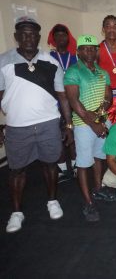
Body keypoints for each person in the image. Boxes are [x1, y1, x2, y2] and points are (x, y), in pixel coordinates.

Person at [0, 17, 73, 233]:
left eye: (33, 34)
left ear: (39, 37)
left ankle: (52, 201)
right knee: (16, 170)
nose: (28, 38)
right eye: (23, 33)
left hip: (48, 124)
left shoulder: (50, 62)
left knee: (50, 164)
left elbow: (62, 96)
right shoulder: (4, 61)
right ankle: (16, 212)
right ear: (16, 37)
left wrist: (68, 125)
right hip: (17, 126)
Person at [64, 34, 115, 222]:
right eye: (85, 48)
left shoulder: (103, 72)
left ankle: (98, 189)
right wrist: (93, 124)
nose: (90, 51)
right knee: (84, 164)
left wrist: (101, 117)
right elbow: (73, 101)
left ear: (97, 51)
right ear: (78, 51)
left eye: (93, 48)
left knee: (100, 158)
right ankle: (88, 202)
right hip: (84, 126)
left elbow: (108, 97)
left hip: (101, 122)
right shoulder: (72, 72)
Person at [47, 23, 78, 181]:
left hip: (73, 103)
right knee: (58, 137)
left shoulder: (76, 57)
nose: (60, 38)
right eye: (57, 35)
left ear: (68, 37)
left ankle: (75, 165)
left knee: (73, 134)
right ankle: (62, 169)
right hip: (54, 105)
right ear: (53, 38)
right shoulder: (48, 58)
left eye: (63, 35)